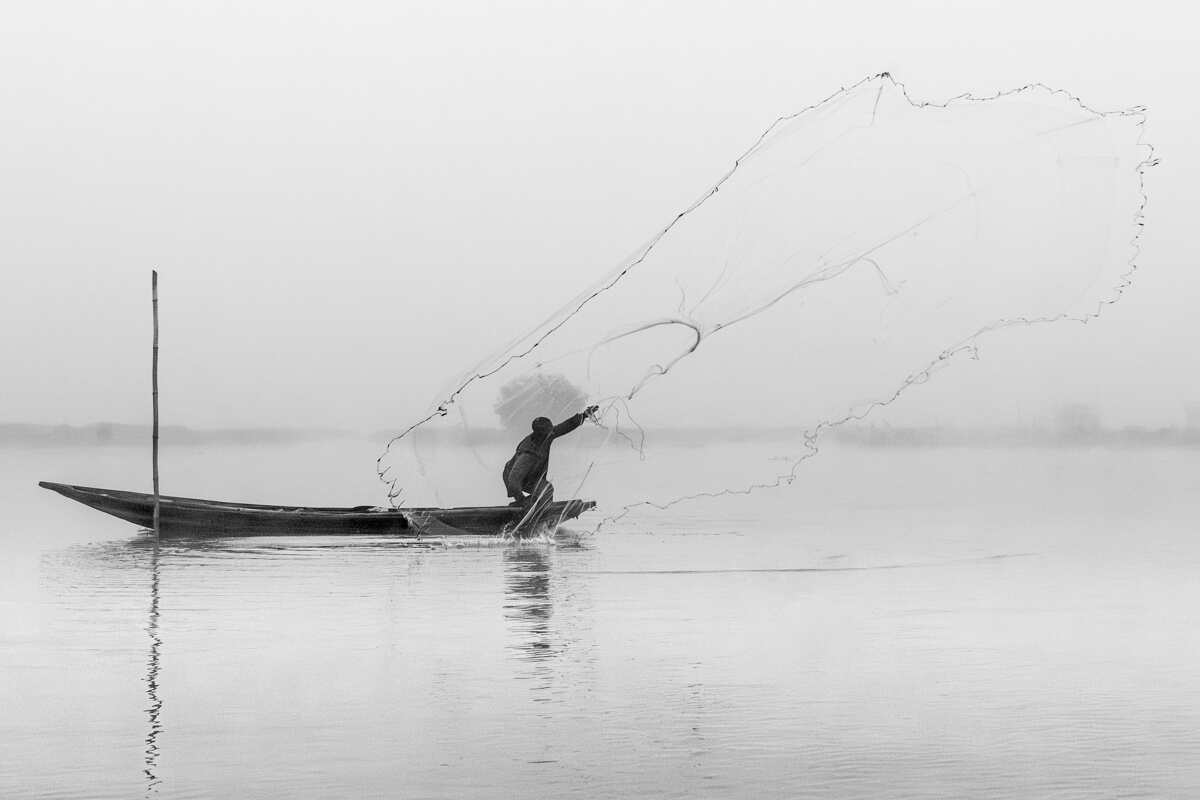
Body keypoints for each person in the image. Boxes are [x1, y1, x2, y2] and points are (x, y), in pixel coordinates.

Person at [503, 406, 598, 507]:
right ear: (541, 434)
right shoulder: (528, 454)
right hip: (515, 476)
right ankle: (523, 509)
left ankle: (540, 509)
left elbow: (564, 427)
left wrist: (583, 416)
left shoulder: (546, 435)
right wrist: (522, 500)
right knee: (533, 496)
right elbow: (513, 480)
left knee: (547, 489)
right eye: (549, 431)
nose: (552, 433)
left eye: (551, 429)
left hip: (530, 475)